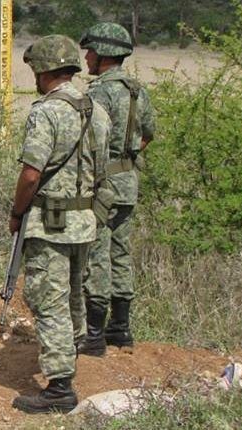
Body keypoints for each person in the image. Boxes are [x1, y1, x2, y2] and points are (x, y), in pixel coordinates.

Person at [10, 35, 110, 414]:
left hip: (50, 222)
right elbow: (103, 171)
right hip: (84, 220)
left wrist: (16, 213)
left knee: (48, 299)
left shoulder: (47, 112)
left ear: (44, 70)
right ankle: (72, 354)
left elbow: (31, 174)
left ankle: (59, 387)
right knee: (72, 295)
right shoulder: (96, 111)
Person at [77, 23, 156, 357]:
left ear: (104, 55)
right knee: (121, 253)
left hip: (104, 185)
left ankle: (94, 334)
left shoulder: (100, 92)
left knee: (97, 255)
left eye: (91, 51)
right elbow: (148, 134)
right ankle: (120, 329)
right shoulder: (137, 90)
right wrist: (127, 158)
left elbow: (88, 140)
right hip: (128, 182)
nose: (86, 57)